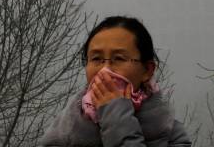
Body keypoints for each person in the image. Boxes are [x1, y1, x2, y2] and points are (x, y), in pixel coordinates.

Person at [41, 15, 194, 147]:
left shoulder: (170, 134)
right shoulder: (62, 134)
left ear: (147, 70)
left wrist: (115, 115)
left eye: (119, 58)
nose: (105, 70)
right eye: (96, 58)